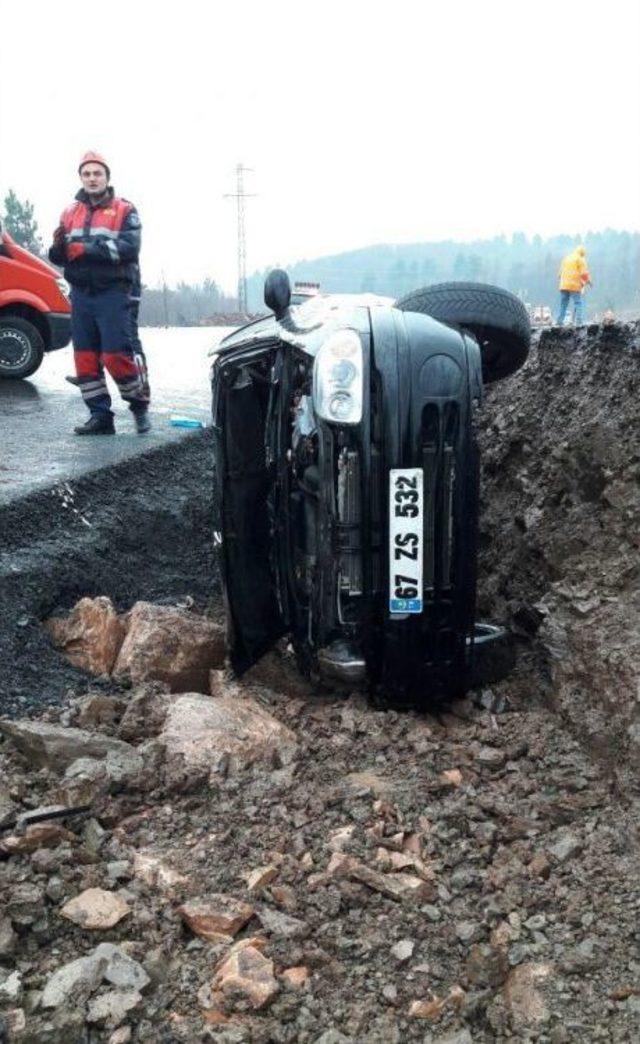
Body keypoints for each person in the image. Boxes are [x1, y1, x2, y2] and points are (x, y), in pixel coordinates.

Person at [49, 151, 150, 435]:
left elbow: (130, 248)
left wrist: (87, 250)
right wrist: (57, 250)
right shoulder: (69, 213)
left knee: (116, 355)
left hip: (114, 292)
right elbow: (63, 255)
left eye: (97, 173)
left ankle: (139, 406)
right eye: (87, 174)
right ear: (81, 178)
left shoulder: (124, 210)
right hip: (81, 293)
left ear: (107, 177)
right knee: (84, 357)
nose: (92, 179)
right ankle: (100, 416)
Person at [556, 245, 592, 327]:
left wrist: (563, 281)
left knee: (563, 303)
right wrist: (588, 282)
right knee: (578, 303)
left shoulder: (566, 258)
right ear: (582, 253)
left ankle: (559, 321)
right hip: (574, 285)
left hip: (563, 285)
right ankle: (579, 321)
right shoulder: (581, 259)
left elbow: (559, 274)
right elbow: (584, 274)